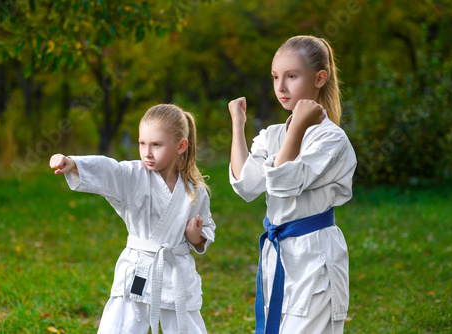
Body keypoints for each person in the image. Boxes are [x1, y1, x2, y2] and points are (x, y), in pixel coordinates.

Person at [228, 35, 357, 334]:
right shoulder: (273, 134)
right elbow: (246, 185)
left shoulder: (331, 139)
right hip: (280, 252)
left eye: (292, 76)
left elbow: (283, 184)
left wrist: (298, 126)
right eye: (275, 77)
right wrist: (238, 124)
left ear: (319, 78)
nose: (281, 87)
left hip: (315, 254)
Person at [49, 104, 215, 334]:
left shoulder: (195, 192)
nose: (147, 152)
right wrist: (75, 164)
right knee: (121, 325)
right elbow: (110, 170)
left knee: (184, 325)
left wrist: (195, 237)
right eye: (142, 143)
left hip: (176, 272)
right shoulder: (132, 176)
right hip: (139, 267)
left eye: (156, 144)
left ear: (181, 146)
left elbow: (204, 232)